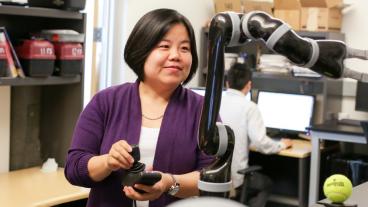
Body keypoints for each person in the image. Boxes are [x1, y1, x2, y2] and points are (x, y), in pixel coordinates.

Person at [64, 8, 213, 207]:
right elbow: (74, 168)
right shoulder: (106, 101)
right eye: (164, 46)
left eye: (185, 48)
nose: (176, 55)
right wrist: (108, 161)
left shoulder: (202, 110)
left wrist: (169, 183)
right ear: (142, 50)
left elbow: (211, 177)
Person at [219, 63, 292, 207]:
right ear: (249, 85)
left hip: (211, 177)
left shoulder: (215, 103)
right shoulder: (249, 108)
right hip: (235, 179)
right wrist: (282, 144)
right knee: (266, 184)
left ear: (227, 83)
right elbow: (261, 143)